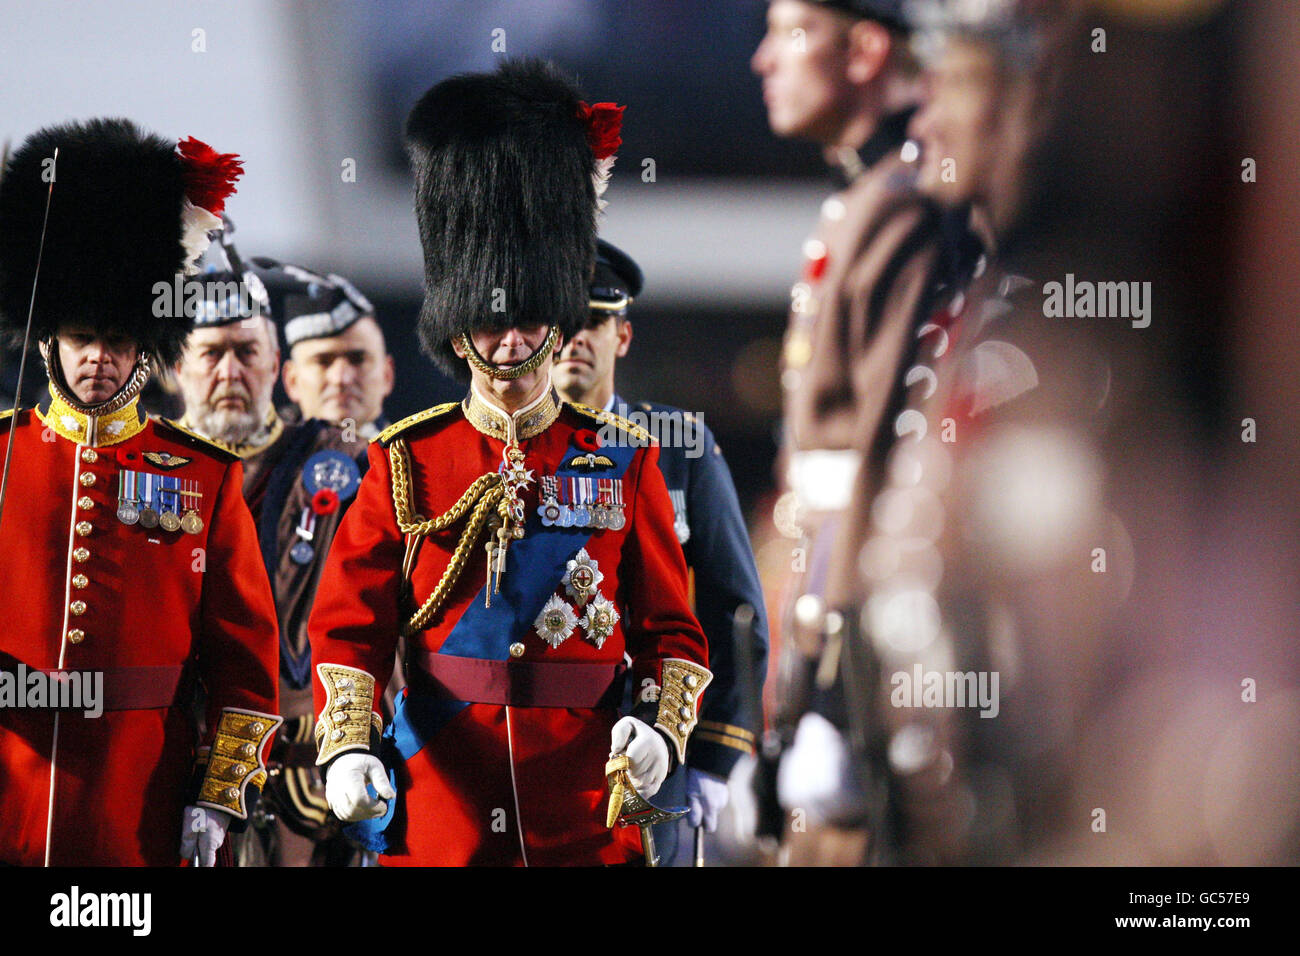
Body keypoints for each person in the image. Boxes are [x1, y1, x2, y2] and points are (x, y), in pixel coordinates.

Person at [308, 58, 711, 866]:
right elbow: (350, 627)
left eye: (532, 321)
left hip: (586, 801)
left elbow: (673, 631)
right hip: (441, 792)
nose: (512, 344)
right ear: (457, 330)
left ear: (561, 321)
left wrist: (663, 731)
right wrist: (349, 746)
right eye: (491, 326)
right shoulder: (406, 461)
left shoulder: (624, 462)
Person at [0, 117, 280, 866]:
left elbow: (244, 660)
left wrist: (221, 794)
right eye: (82, 337)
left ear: (145, 351)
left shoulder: (202, 474)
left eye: (118, 341)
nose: (97, 358)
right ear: (49, 339)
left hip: (142, 799)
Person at [751, 0, 958, 862]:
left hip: (858, 610)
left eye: (792, 33)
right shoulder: (867, 201)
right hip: (823, 588)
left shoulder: (904, 208)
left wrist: (815, 654)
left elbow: (878, 450)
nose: (765, 60)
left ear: (868, 49)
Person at [553, 239, 769, 864]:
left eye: (594, 321)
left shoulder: (679, 446)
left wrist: (716, 752)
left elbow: (736, 609)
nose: (575, 339)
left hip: (656, 740)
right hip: (544, 740)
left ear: (622, 336)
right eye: (562, 323)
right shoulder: (508, 457)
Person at [173, 240, 369, 866]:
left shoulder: (339, 463)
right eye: (212, 354)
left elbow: (379, 622)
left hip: (307, 783)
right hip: (172, 767)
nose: (230, 372)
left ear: (276, 362)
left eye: (246, 352)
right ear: (178, 365)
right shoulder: (152, 467)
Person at [262, 260, 394, 440]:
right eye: (322, 362)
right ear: (291, 381)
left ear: (387, 375)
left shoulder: (415, 462)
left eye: (358, 360)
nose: (341, 378)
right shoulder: (253, 464)